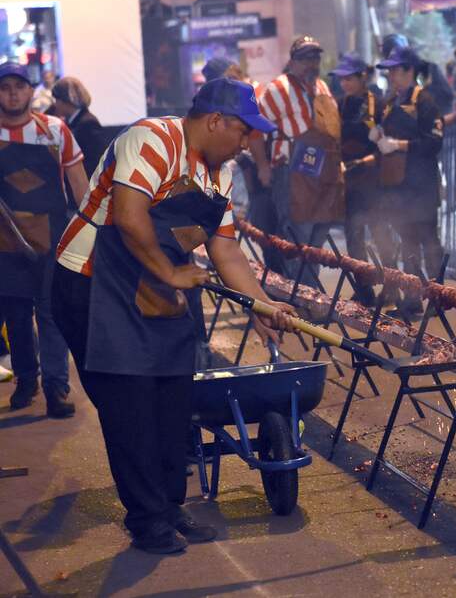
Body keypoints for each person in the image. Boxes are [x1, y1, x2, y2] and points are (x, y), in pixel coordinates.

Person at [52, 78, 296, 554]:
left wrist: (262, 305)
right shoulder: (151, 139)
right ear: (215, 121)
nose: (248, 142)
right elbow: (128, 215)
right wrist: (171, 271)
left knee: (172, 398)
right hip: (91, 284)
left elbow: (225, 250)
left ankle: (169, 504)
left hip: (155, 288)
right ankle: (147, 521)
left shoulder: (219, 174)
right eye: (244, 131)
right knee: (130, 407)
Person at [0, 62, 89, 417]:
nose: (12, 93)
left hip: (53, 239)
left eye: (18, 86)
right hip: (4, 245)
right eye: (5, 87)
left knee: (52, 315)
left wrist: (88, 230)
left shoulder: (56, 130)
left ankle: (56, 388)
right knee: (17, 316)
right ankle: (26, 380)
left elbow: (80, 184)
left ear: (30, 91)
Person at [251, 36, 345, 280]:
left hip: (324, 171)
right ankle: (301, 300)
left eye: (315, 57)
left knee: (317, 238)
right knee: (297, 238)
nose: (312, 63)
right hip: (291, 173)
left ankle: (311, 297)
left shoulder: (322, 87)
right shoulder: (276, 88)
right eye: (305, 58)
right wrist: (262, 166)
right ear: (292, 61)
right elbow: (254, 131)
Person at [373, 46, 445, 316]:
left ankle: (440, 299)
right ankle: (412, 298)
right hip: (398, 187)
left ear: (409, 71)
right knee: (408, 243)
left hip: (422, 185)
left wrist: (401, 145)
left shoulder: (425, 101)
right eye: (389, 70)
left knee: (429, 242)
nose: (391, 75)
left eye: (395, 70)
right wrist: (378, 135)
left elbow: (434, 142)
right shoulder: (392, 101)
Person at [330, 53, 392, 306]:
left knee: (380, 235)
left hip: (373, 180)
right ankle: (363, 288)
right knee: (354, 236)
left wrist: (364, 162)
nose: (345, 83)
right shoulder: (339, 105)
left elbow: (386, 146)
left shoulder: (378, 104)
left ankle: (393, 287)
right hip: (349, 181)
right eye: (342, 79)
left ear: (362, 77)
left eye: (349, 78)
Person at [49, 77, 108, 180]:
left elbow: (95, 162)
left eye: (57, 100)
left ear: (66, 100)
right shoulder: (72, 122)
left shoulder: (88, 124)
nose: (55, 104)